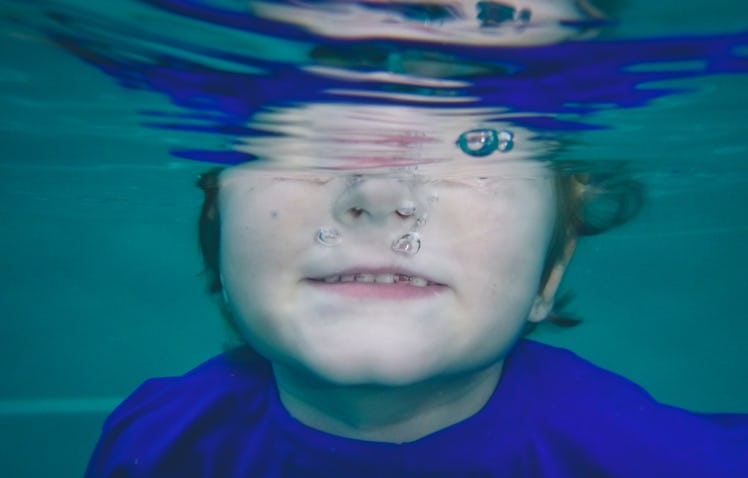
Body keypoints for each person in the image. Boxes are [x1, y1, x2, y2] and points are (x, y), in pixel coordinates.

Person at [84, 102, 747, 477]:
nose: (379, 194)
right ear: (217, 231)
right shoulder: (153, 442)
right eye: (307, 135)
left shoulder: (677, 464)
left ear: (550, 272)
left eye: (475, 144)